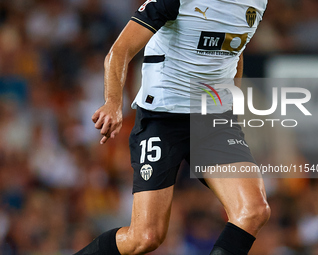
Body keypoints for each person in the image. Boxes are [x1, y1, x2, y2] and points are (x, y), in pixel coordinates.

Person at [74, 0, 270, 254]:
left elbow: (235, 48)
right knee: (145, 237)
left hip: (213, 119)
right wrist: (113, 102)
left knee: (254, 210)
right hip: (162, 117)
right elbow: (120, 50)